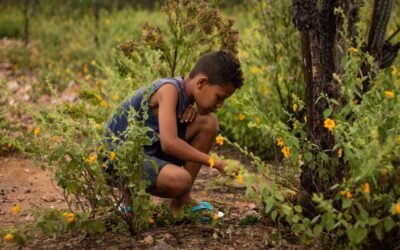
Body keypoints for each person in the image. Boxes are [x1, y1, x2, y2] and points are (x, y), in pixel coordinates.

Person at [105, 50, 244, 214]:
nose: (220, 104)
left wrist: (188, 108)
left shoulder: (184, 97)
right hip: (116, 160)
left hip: (144, 152)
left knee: (208, 122)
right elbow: (169, 144)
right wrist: (215, 162)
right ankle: (128, 204)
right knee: (180, 180)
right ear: (201, 83)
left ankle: (180, 204)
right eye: (219, 97)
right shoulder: (168, 90)